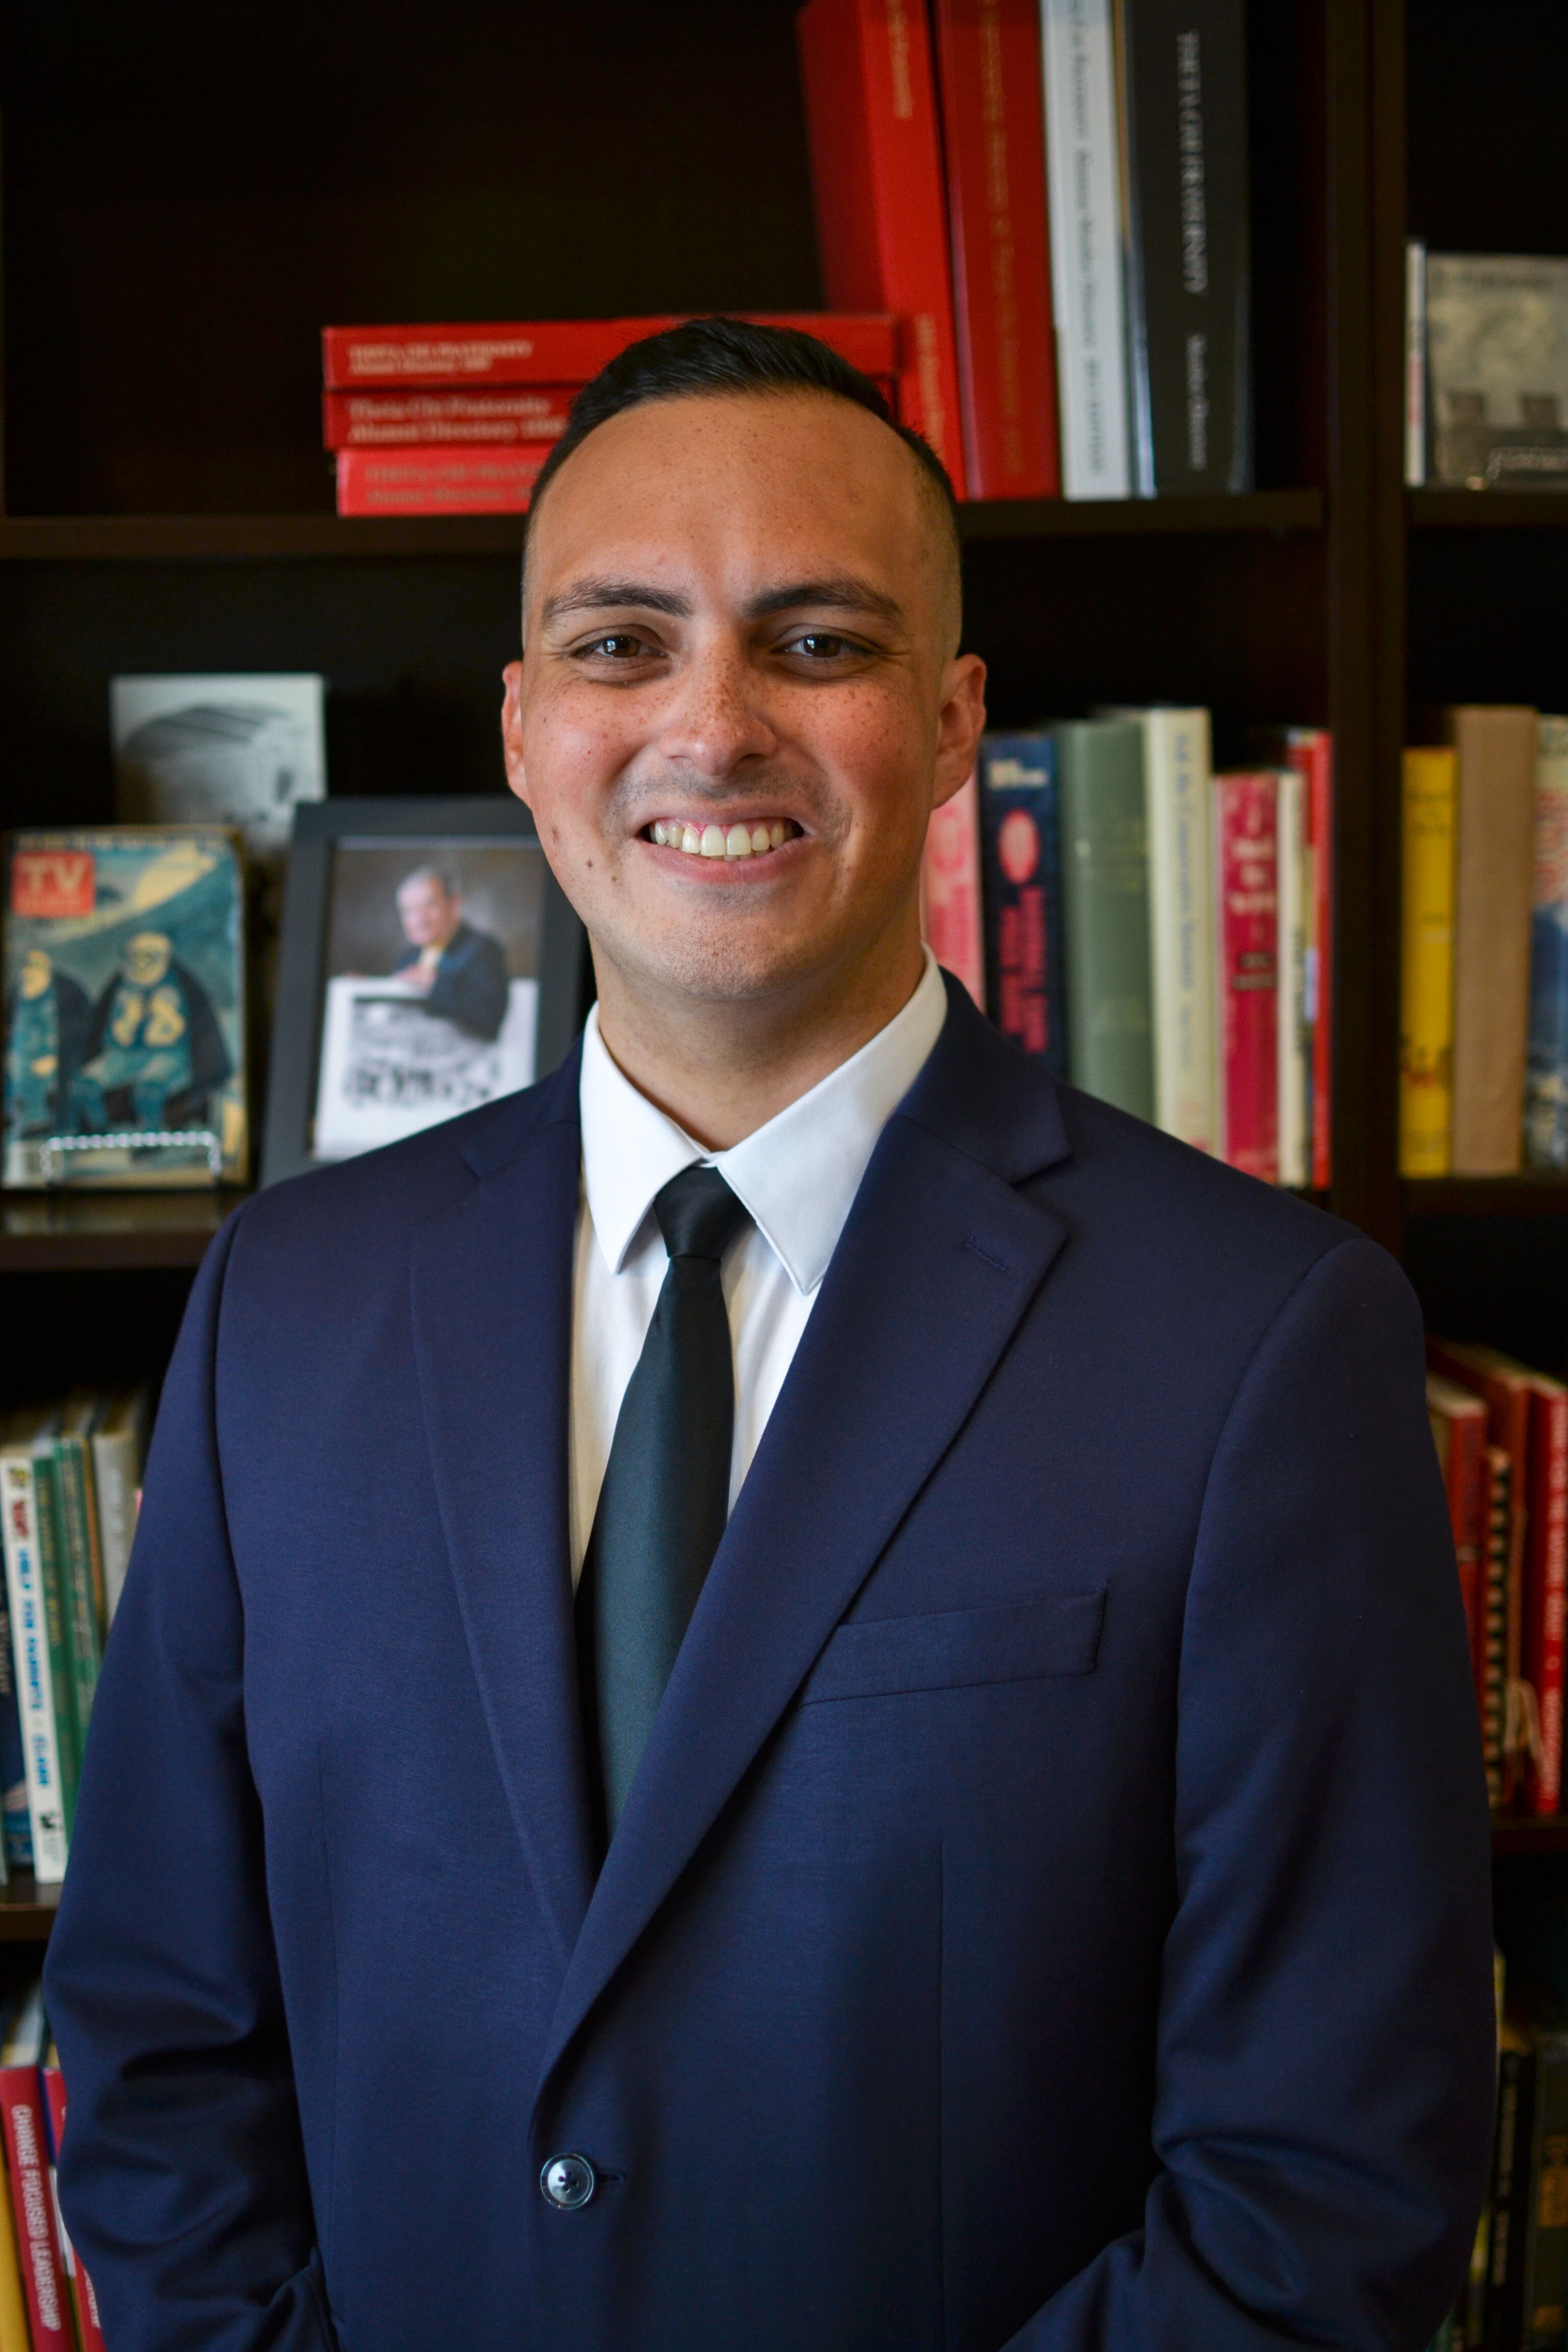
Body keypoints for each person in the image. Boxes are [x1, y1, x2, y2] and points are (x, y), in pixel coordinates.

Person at [44, 319, 1493, 2352]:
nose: (712, 727)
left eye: (817, 643)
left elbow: (1321, 2191)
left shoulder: (1262, 1338)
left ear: (955, 718)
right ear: (526, 726)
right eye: (621, 645)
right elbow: (158, 2037)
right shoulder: (281, 1306)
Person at [390, 865, 509, 1040]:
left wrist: (434, 982)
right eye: (409, 911)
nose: (419, 920)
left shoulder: (483, 951)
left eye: (430, 905)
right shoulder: (408, 959)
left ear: (454, 904)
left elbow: (488, 1017)